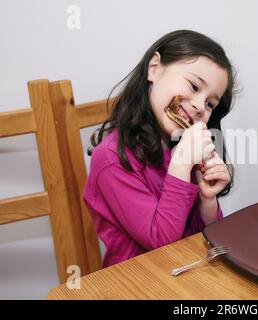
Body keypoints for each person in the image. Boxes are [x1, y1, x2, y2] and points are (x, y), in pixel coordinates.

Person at [83, 29, 237, 268]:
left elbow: (207, 241)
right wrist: (181, 165)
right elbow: (162, 244)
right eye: (194, 86)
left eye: (210, 104)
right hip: (137, 283)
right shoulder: (112, 158)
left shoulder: (182, 149)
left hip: (187, 273)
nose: (199, 106)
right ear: (154, 67)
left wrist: (208, 201)